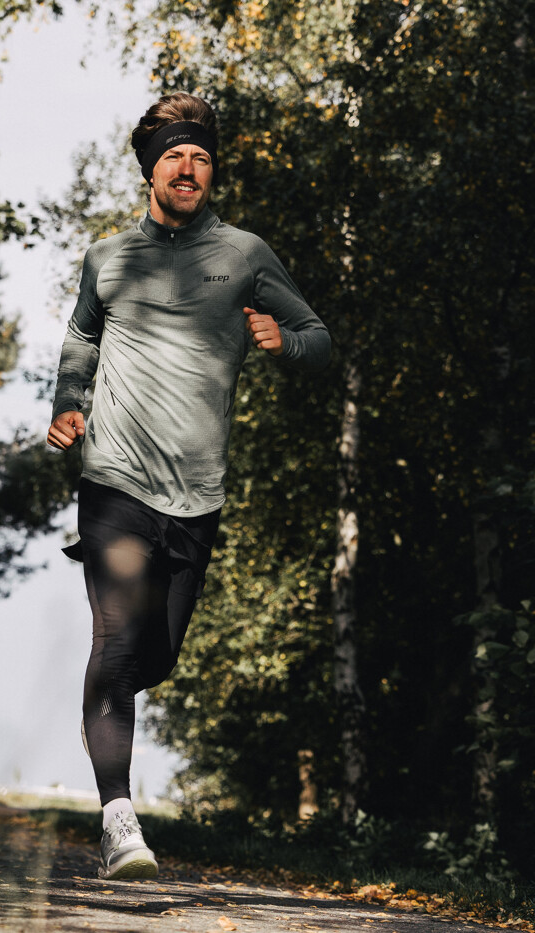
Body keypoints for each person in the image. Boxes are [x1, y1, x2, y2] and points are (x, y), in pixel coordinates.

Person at [47, 92, 331, 880]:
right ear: (151, 168)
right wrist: (69, 404)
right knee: (116, 639)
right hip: (113, 482)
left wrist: (286, 342)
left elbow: (321, 338)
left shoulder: (246, 255)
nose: (189, 167)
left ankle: (109, 702)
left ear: (212, 174)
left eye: (202, 156)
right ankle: (118, 818)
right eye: (175, 154)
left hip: (196, 495)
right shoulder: (108, 258)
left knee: (155, 655)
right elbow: (81, 334)